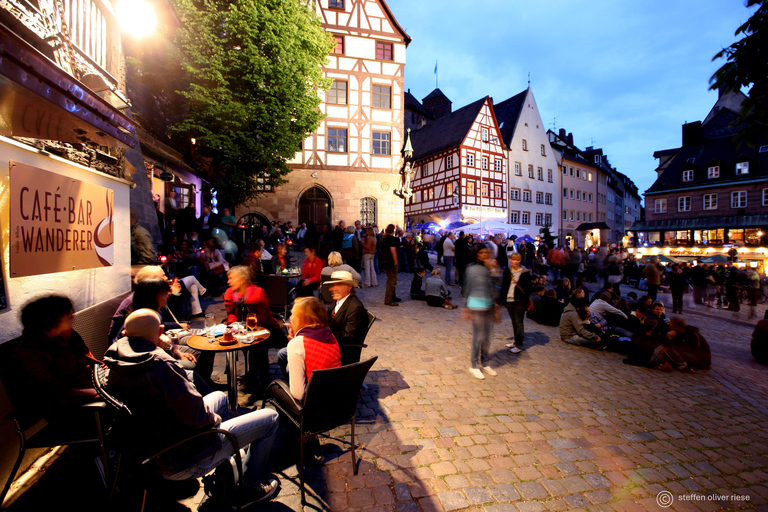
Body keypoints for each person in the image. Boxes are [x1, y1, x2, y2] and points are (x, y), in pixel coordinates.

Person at [104, 309, 280, 507]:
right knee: (270, 418)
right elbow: (198, 416)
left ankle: (230, 463)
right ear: (161, 329)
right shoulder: (160, 365)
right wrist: (216, 423)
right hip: (182, 456)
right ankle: (250, 487)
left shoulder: (117, 355)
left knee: (219, 398)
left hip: (153, 446)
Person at [14, 295, 101, 421]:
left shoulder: (69, 336)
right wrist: (99, 392)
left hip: (92, 393)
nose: (72, 317)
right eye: (68, 315)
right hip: (68, 410)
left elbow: (93, 362)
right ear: (51, 322)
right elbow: (58, 393)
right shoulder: (27, 353)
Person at [224, 266, 288, 390]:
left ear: (242, 279)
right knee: (257, 346)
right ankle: (262, 381)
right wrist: (234, 326)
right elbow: (231, 314)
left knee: (258, 345)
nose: (228, 282)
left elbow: (265, 319)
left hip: (270, 330)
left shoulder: (257, 292)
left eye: (231, 278)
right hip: (246, 332)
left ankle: (256, 381)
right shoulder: (229, 293)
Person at [276, 297, 342, 400]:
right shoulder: (329, 334)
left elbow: (298, 394)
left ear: (303, 318)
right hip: (335, 393)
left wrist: (293, 343)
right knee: (283, 355)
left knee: (275, 390)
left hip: (314, 403)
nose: (291, 318)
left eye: (293, 314)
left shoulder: (297, 344)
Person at [462, 245, 499, 379]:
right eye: (481, 253)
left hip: (488, 304)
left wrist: (494, 270)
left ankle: (485, 362)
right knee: (478, 336)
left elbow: (495, 286)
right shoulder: (471, 269)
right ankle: (474, 365)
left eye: (486, 253)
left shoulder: (490, 268)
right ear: (477, 254)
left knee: (487, 337)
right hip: (475, 304)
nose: (484, 255)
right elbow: (467, 287)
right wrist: (466, 307)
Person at [326, 270, 369, 348]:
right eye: (332, 285)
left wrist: (324, 333)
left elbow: (349, 337)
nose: (331, 289)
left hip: (342, 350)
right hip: (331, 344)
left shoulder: (355, 307)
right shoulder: (338, 300)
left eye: (337, 285)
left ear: (349, 287)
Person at [499, 253, 532, 354]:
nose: (515, 262)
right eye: (513, 259)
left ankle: (519, 345)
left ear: (520, 260)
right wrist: (501, 300)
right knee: (514, 321)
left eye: (517, 260)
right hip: (509, 299)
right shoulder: (507, 271)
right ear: (510, 260)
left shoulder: (525, 272)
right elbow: (504, 285)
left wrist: (523, 298)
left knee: (519, 322)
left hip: (519, 300)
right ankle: (516, 341)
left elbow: (528, 288)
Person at [380, 224, 400, 306]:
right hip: (391, 261)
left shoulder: (384, 239)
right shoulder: (392, 239)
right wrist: (395, 261)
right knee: (392, 281)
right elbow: (393, 250)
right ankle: (388, 299)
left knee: (391, 279)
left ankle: (393, 296)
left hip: (385, 261)